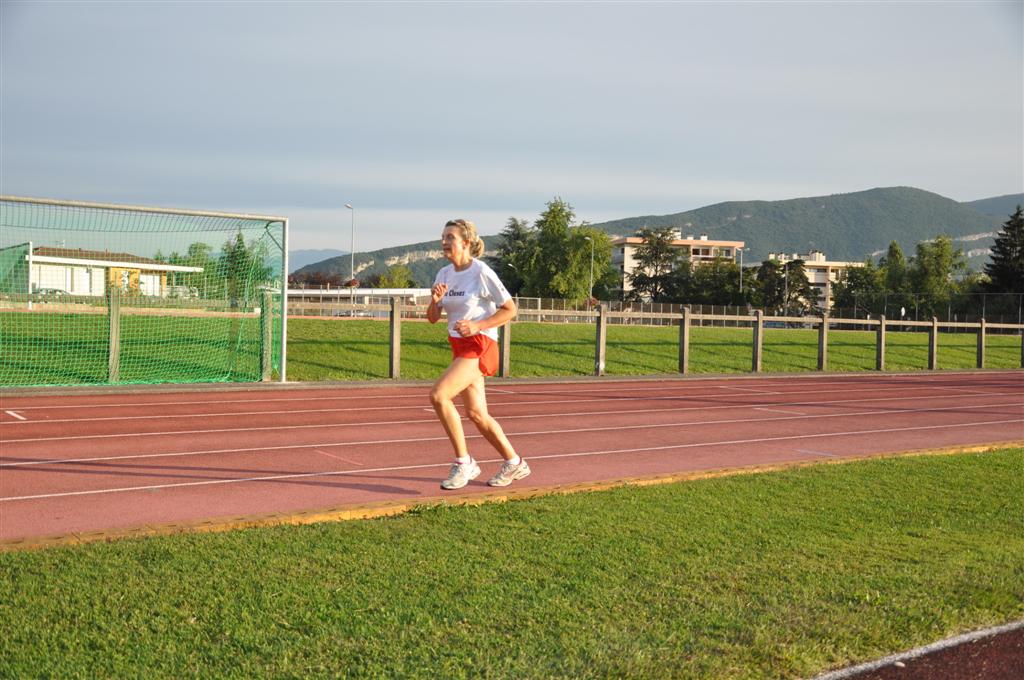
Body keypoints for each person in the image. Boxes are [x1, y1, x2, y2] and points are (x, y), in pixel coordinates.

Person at [427, 218, 531, 490]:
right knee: (476, 414)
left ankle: (464, 463)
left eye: (450, 237)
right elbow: (432, 318)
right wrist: (435, 303)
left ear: (466, 242)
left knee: (439, 395)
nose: (444, 242)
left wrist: (477, 325)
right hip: (459, 347)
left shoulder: (481, 272)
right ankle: (514, 462)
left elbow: (510, 309)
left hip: (481, 345)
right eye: (443, 237)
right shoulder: (443, 274)